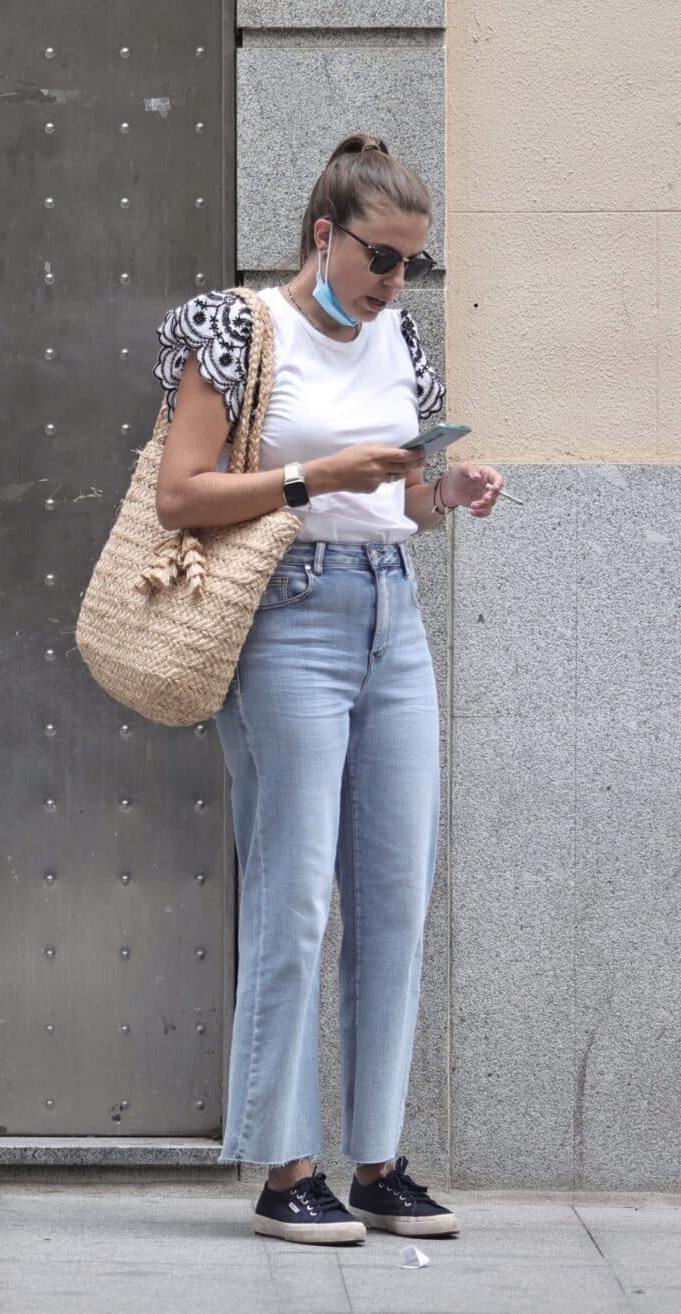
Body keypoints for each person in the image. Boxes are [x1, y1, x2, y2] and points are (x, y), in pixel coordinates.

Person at [153, 135, 502, 1244]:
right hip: (283, 616)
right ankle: (281, 1168)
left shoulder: (398, 337)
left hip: (388, 609)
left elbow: (392, 505)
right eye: (380, 257)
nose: (395, 282)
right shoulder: (236, 327)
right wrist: (313, 475)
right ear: (321, 234)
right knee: (294, 896)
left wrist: (442, 493)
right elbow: (179, 495)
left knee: (393, 897)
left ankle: (378, 1160)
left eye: (411, 264)